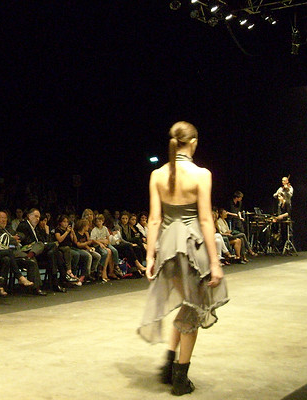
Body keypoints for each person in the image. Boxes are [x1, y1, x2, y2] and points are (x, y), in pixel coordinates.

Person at [138, 121, 228, 396]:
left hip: (167, 249)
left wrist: (150, 256)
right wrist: (215, 263)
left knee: (187, 305)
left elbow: (154, 219)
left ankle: (169, 363)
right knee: (193, 310)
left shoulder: (157, 175)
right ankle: (180, 377)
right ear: (194, 143)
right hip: (192, 248)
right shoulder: (201, 174)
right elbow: (205, 219)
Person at [0, 211, 45, 295]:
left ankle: (34, 287)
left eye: (5, 218)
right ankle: (33, 286)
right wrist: (13, 238)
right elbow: (5, 241)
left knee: (38, 247)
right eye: (1, 218)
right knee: (10, 258)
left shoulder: (8, 229)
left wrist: (14, 238)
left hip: (18, 251)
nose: (4, 220)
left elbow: (22, 235)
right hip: (8, 253)